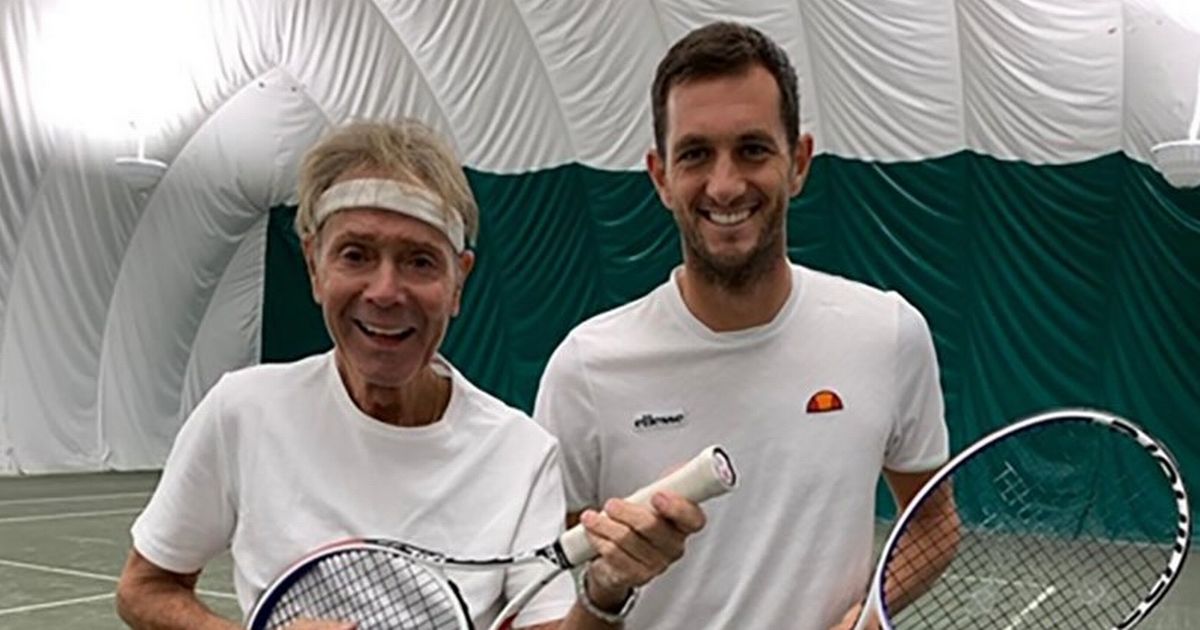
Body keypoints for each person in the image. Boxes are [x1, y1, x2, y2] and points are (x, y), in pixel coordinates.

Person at [115, 119, 707, 630]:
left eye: (420, 261)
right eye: (355, 255)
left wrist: (605, 591)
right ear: (314, 266)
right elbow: (145, 589)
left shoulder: (521, 453)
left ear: (459, 283)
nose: (385, 291)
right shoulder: (241, 411)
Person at [533, 22, 957, 630]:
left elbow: (934, 522)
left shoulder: (887, 333)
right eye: (696, 154)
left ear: (799, 163)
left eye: (753, 149)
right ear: (659, 176)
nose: (725, 184)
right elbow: (540, 590)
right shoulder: (585, 369)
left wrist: (869, 616)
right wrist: (606, 587)